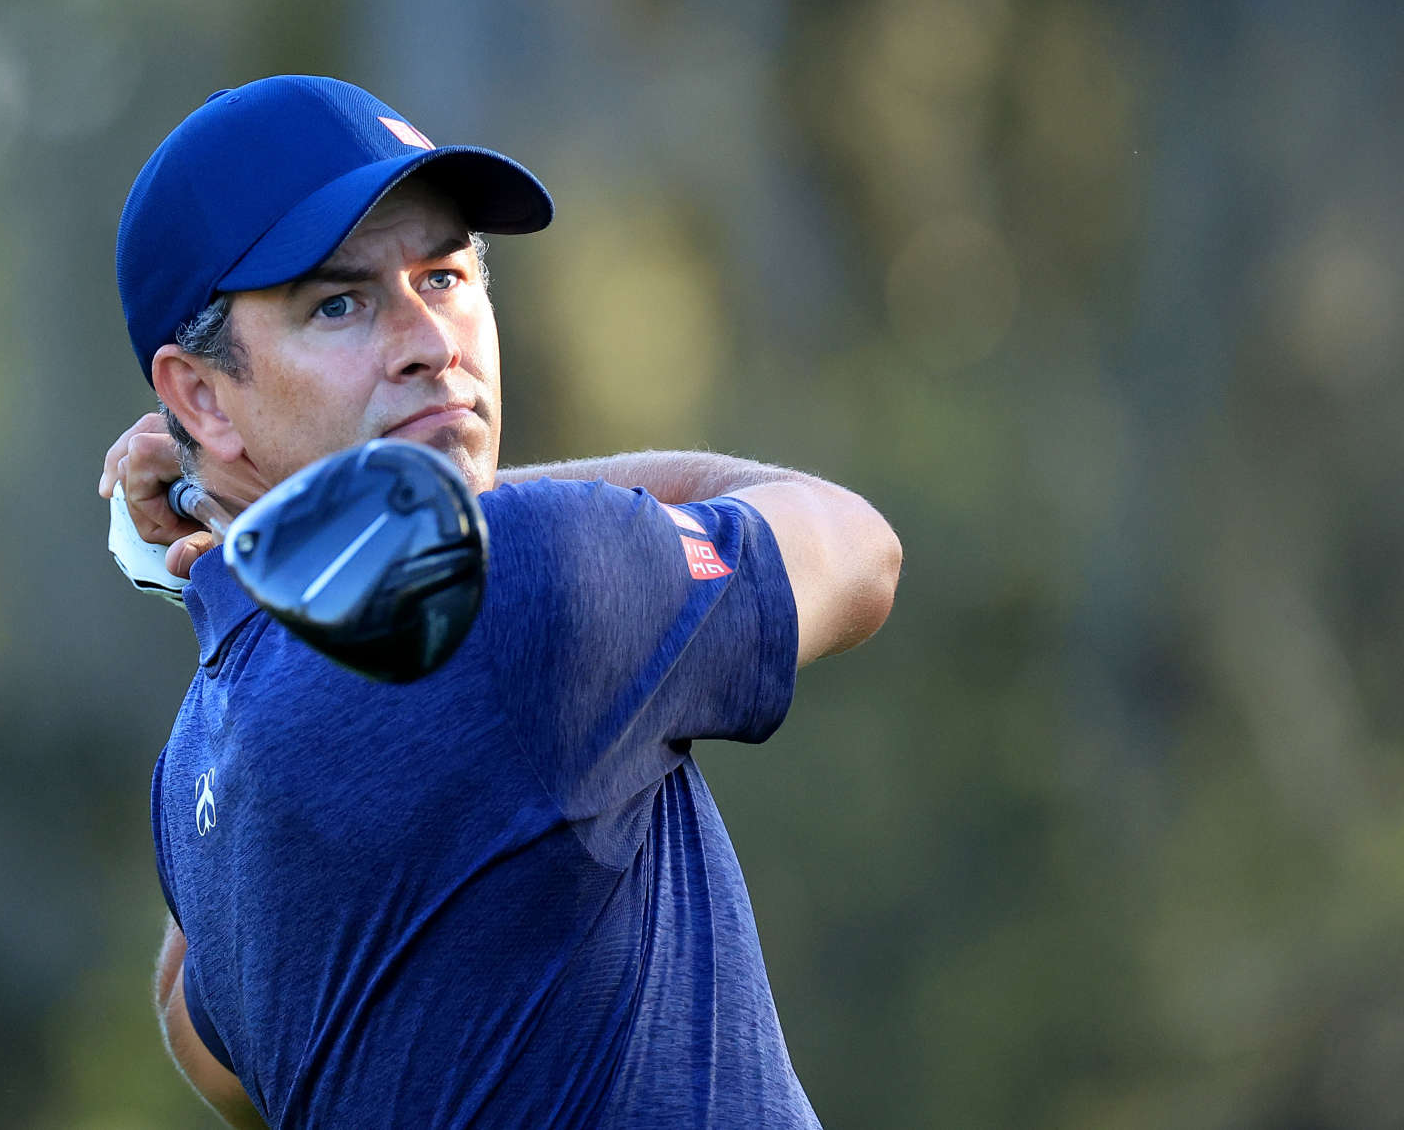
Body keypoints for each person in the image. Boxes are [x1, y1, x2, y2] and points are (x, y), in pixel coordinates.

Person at [99, 75, 901, 1128]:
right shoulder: (527, 582)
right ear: (201, 394)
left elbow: (205, 1040)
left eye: (444, 274)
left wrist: (257, 533)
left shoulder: (200, 762)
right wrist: (353, 513)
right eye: (338, 303)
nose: (430, 341)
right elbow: (854, 544)